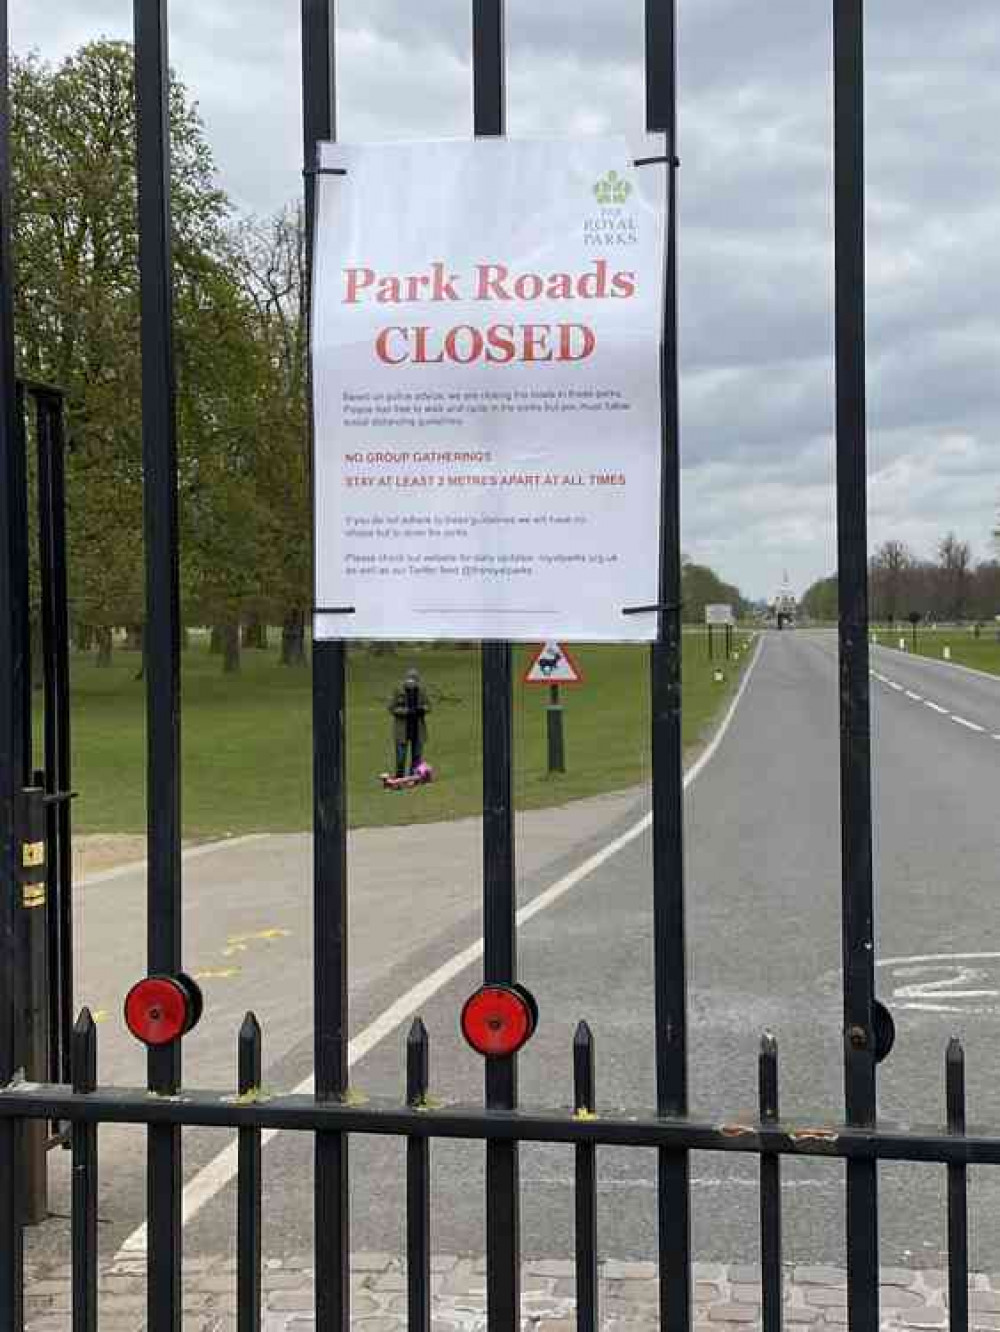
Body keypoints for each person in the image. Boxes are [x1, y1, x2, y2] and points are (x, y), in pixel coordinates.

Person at [389, 668, 431, 778]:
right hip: (402, 730)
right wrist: (406, 711)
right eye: (409, 680)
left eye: (414, 681)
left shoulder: (422, 691)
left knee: (416, 757)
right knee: (401, 758)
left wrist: (421, 709)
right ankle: (399, 777)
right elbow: (392, 708)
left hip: (417, 729)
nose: (411, 683)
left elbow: (428, 706)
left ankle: (413, 777)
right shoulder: (398, 691)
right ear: (405, 680)